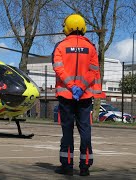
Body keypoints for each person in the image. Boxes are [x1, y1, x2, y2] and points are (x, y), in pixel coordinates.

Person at [52, 14, 104, 176]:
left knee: (67, 131)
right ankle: (85, 166)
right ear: (83, 28)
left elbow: (58, 68)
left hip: (66, 96)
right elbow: (93, 71)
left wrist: (72, 86)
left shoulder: (60, 46)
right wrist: (81, 87)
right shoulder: (91, 48)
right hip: (85, 97)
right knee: (85, 131)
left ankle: (67, 166)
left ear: (67, 27)